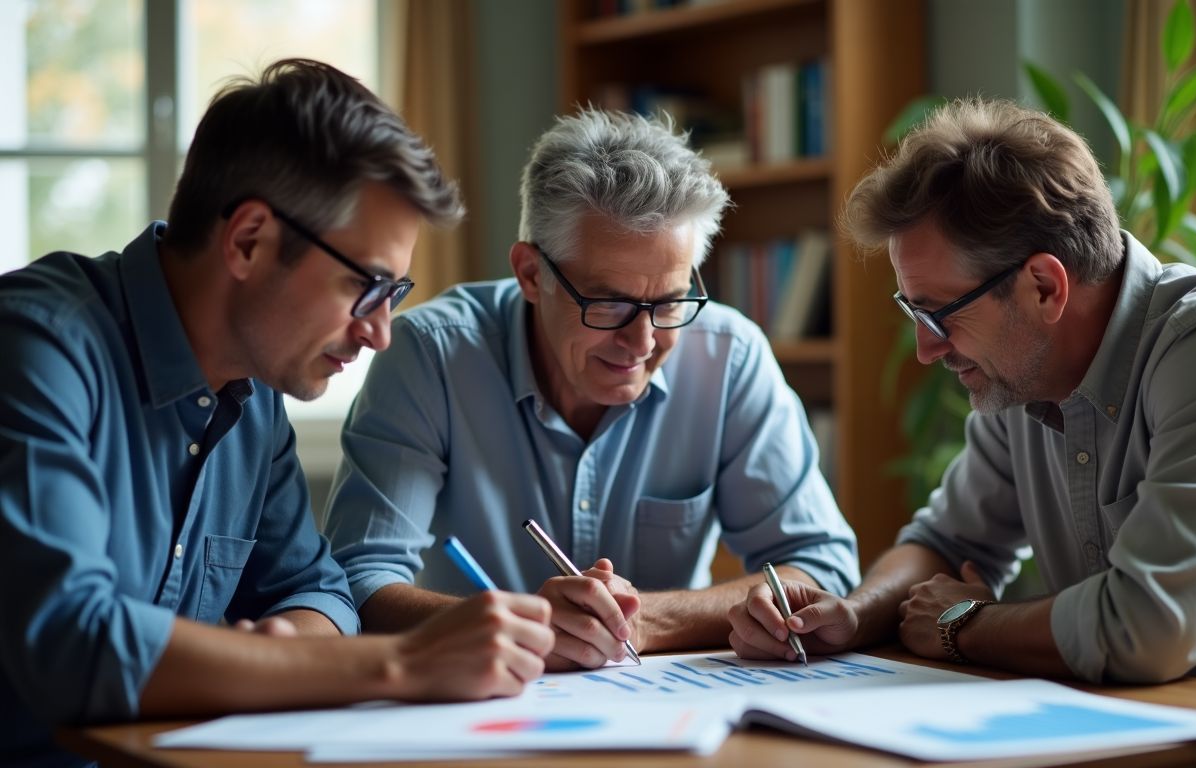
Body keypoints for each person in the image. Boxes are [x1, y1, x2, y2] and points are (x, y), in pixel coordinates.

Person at [0, 59, 554, 768]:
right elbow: (70, 642)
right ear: (248, 241)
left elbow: (316, 590)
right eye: (366, 285)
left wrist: (290, 648)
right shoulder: (39, 348)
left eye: (396, 291)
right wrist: (404, 665)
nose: (380, 331)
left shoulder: (253, 394)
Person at [727, 97, 1196, 691]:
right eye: (911, 312)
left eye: (940, 314)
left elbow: (1151, 627)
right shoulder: (1023, 377)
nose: (926, 349)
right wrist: (855, 617)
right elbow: (947, 545)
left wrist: (963, 624)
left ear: (1045, 287)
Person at [323, 108, 859, 670]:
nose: (644, 340)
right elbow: (358, 580)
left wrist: (648, 618)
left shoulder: (729, 357)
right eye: (610, 303)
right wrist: (518, 625)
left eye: (670, 302)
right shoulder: (429, 354)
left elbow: (819, 564)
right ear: (531, 274)